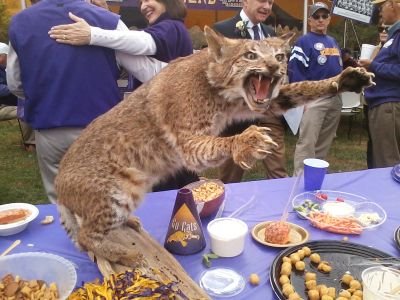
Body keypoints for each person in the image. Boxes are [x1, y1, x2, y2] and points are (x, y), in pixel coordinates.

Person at [7, 0, 165, 203]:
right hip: (101, 128)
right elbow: (143, 70)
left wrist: (43, 94)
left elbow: (15, 83)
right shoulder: (107, 20)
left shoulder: (20, 22)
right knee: (113, 199)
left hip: (50, 129)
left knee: (62, 203)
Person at [47, 0, 198, 192]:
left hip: (167, 123)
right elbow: (137, 52)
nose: (143, 6)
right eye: (141, 2)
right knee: (177, 176)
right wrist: (107, 19)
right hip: (170, 121)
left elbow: (143, 44)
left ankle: (187, 214)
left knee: (170, 182)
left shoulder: (171, 27)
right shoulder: (169, 28)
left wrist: (93, 34)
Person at [213, 0, 288, 183]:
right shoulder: (223, 30)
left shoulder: (270, 33)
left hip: (268, 110)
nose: (267, 7)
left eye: (270, 3)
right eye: (262, 1)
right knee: (231, 176)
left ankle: (279, 205)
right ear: (245, 1)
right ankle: (227, 209)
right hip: (237, 115)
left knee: (278, 169)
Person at [288, 2, 343, 175]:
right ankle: (300, 179)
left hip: (335, 97)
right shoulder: (304, 41)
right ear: (310, 20)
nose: (320, 20)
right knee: (307, 142)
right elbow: (295, 71)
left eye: (324, 16)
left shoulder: (332, 41)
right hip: (314, 99)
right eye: (316, 17)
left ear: (329, 19)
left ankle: (315, 176)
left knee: (324, 142)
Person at [358, 0, 400, 168]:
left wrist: (373, 65)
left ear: (394, 5)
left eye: (381, 8)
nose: (380, 13)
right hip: (384, 104)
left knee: (388, 165)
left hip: (389, 105)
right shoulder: (394, 35)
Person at [0, 42, 35, 151]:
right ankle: (30, 144)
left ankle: (38, 141)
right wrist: (17, 86)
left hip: (8, 104)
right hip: (2, 107)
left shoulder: (7, 70)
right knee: (25, 110)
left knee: (33, 107)